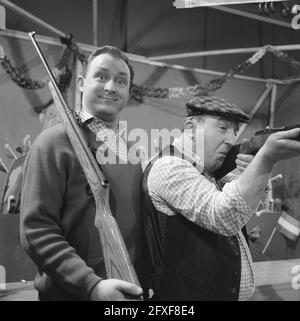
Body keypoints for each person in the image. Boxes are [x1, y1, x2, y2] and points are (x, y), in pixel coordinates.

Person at [141, 95, 300, 301]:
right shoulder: (170, 167)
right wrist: (266, 159)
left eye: (234, 131)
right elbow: (224, 216)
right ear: (190, 126)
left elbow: (253, 204)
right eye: (222, 128)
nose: (231, 139)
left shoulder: (205, 171)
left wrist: (253, 169)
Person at [20, 46, 144, 301]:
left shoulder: (132, 150)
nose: (111, 86)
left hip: (128, 294)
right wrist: (92, 285)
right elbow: (36, 230)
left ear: (128, 92)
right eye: (101, 76)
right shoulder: (52, 143)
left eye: (121, 81)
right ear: (80, 82)